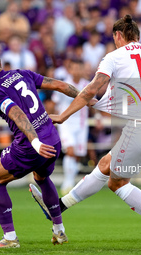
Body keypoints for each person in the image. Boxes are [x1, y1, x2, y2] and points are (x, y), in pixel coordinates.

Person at [31, 14, 141, 247]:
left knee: (117, 183)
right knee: (105, 166)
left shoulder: (113, 57)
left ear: (118, 36)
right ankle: (59, 207)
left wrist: (64, 115)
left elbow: (90, 90)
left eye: (114, 37)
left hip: (140, 129)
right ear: (138, 35)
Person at [0, 49, 90, 248]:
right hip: (53, 138)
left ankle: (10, 238)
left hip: (31, 145)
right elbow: (60, 85)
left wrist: (35, 143)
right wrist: (87, 98)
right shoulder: (22, 73)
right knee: (42, 177)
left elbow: (18, 114)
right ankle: (59, 231)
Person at [51, 59, 90, 195]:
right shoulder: (63, 85)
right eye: (74, 68)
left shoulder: (87, 85)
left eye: (80, 68)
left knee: (78, 155)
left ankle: (71, 182)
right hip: (66, 123)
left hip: (81, 124)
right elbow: (55, 102)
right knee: (71, 151)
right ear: (69, 70)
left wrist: (97, 118)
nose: (77, 71)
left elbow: (92, 103)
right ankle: (67, 183)